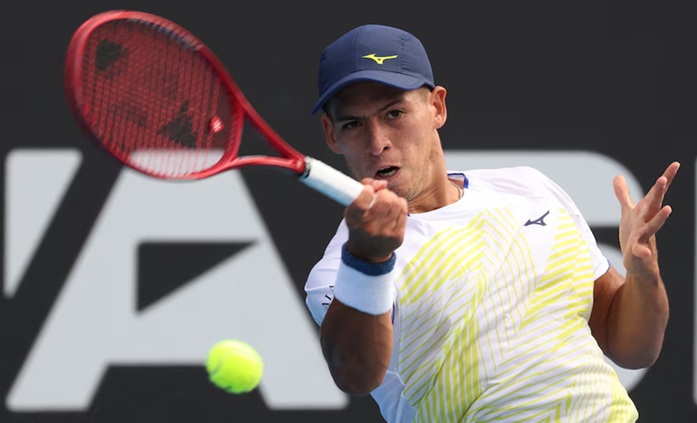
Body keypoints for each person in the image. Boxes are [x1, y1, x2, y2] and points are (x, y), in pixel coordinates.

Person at [303, 23, 678, 423]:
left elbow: (633, 348)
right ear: (331, 134)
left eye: (394, 113)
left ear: (437, 107)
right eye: (353, 124)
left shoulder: (529, 188)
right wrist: (368, 261)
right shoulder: (340, 272)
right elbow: (355, 375)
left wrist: (643, 276)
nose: (377, 142)